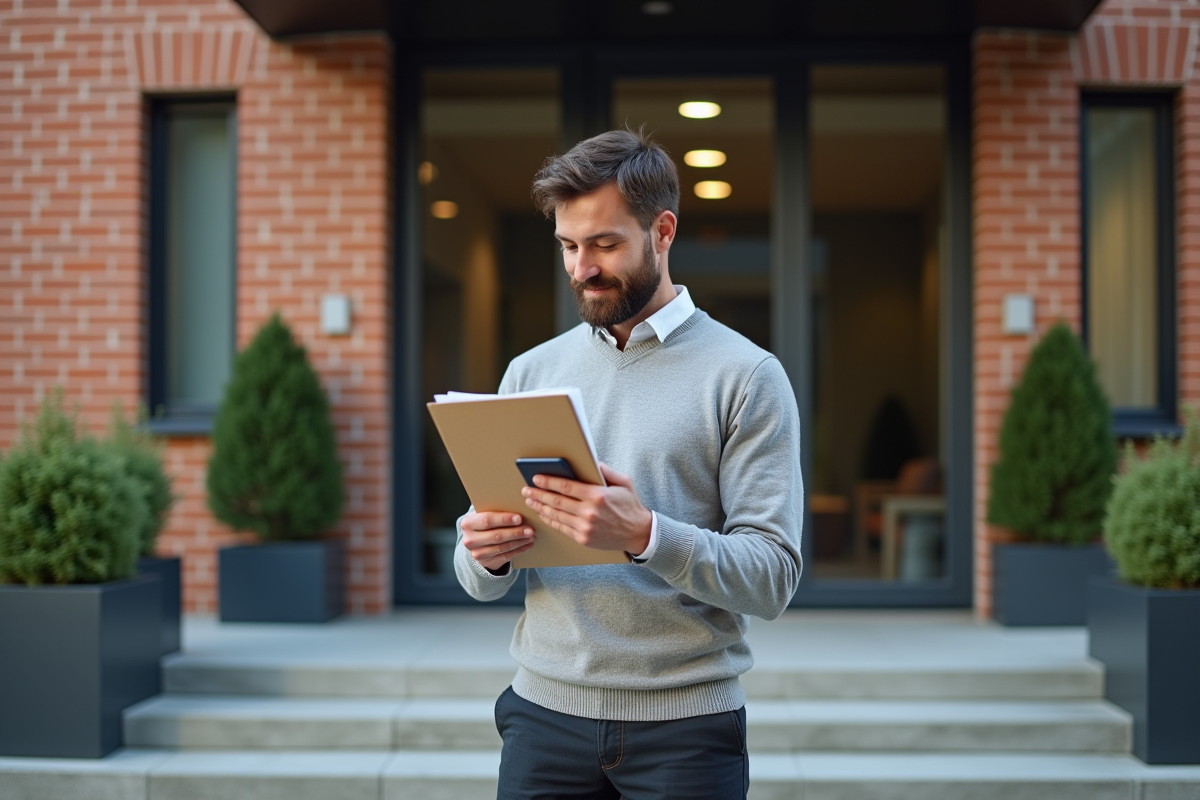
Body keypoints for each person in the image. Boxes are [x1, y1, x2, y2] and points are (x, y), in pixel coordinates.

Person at [454, 128, 803, 800]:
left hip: (687, 732)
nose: (582, 268)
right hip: (542, 719)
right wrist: (485, 555)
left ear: (662, 231)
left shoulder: (747, 376)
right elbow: (478, 578)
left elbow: (773, 579)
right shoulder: (530, 371)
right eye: (568, 246)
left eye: (604, 244)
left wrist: (645, 535)